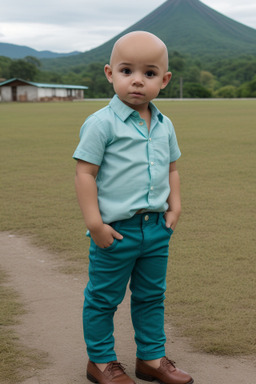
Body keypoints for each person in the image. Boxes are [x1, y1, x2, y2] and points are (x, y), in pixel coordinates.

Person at [73, 31, 194, 384]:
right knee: (103, 299)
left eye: (150, 73)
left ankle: (151, 359)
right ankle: (100, 361)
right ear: (110, 74)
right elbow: (85, 174)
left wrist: (175, 207)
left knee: (152, 296)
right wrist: (95, 224)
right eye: (127, 71)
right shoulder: (101, 124)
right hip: (116, 231)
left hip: (156, 228)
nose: (137, 81)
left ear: (165, 80)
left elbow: (172, 167)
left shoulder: (164, 124)